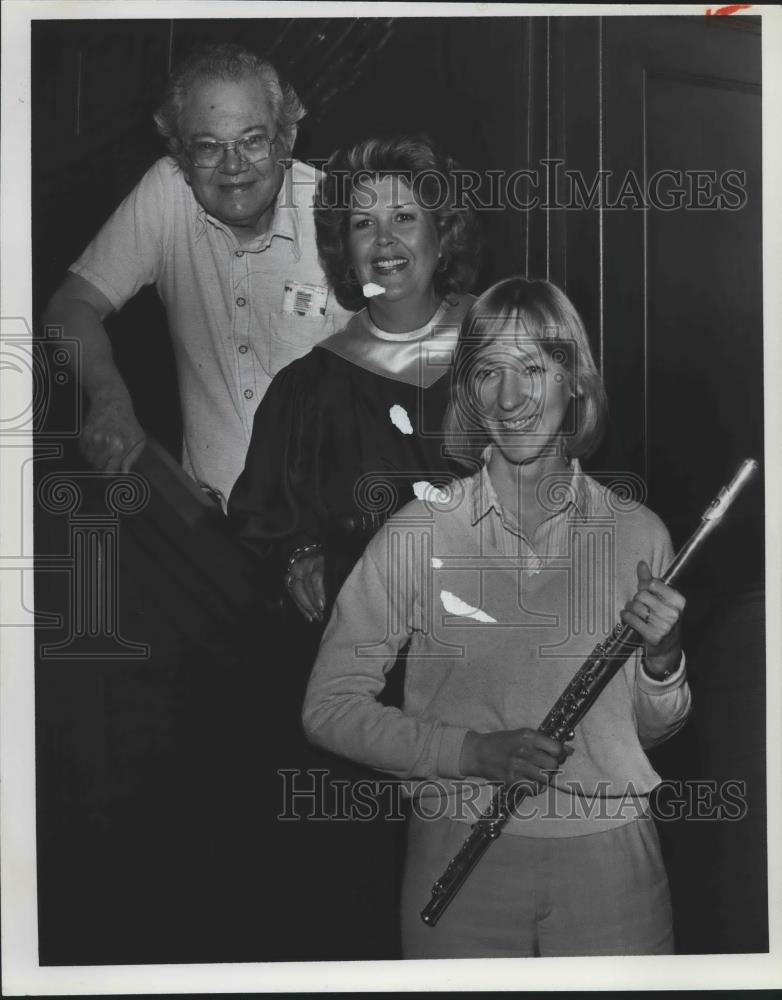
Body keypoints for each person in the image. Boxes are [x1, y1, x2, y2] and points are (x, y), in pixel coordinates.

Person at [302, 277, 692, 958]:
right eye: (488, 371)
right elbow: (328, 708)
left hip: (612, 863)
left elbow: (650, 735)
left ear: (575, 382)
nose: (509, 399)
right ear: (468, 391)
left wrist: (663, 664)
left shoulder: (640, 534)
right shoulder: (418, 533)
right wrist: (469, 752)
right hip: (458, 854)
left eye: (533, 369)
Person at [228, 135, 483, 959]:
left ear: (443, 233)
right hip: (373, 704)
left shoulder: (505, 355)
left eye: (406, 216)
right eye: (361, 222)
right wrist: (293, 551)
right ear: (340, 245)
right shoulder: (308, 388)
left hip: (499, 676)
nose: (385, 240)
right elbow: (259, 520)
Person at [42, 42, 351, 506]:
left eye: (252, 140)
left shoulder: (341, 214)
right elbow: (68, 307)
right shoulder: (168, 192)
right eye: (208, 146)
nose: (233, 166)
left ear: (285, 141)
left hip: (324, 521)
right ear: (182, 158)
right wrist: (108, 398)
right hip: (212, 526)